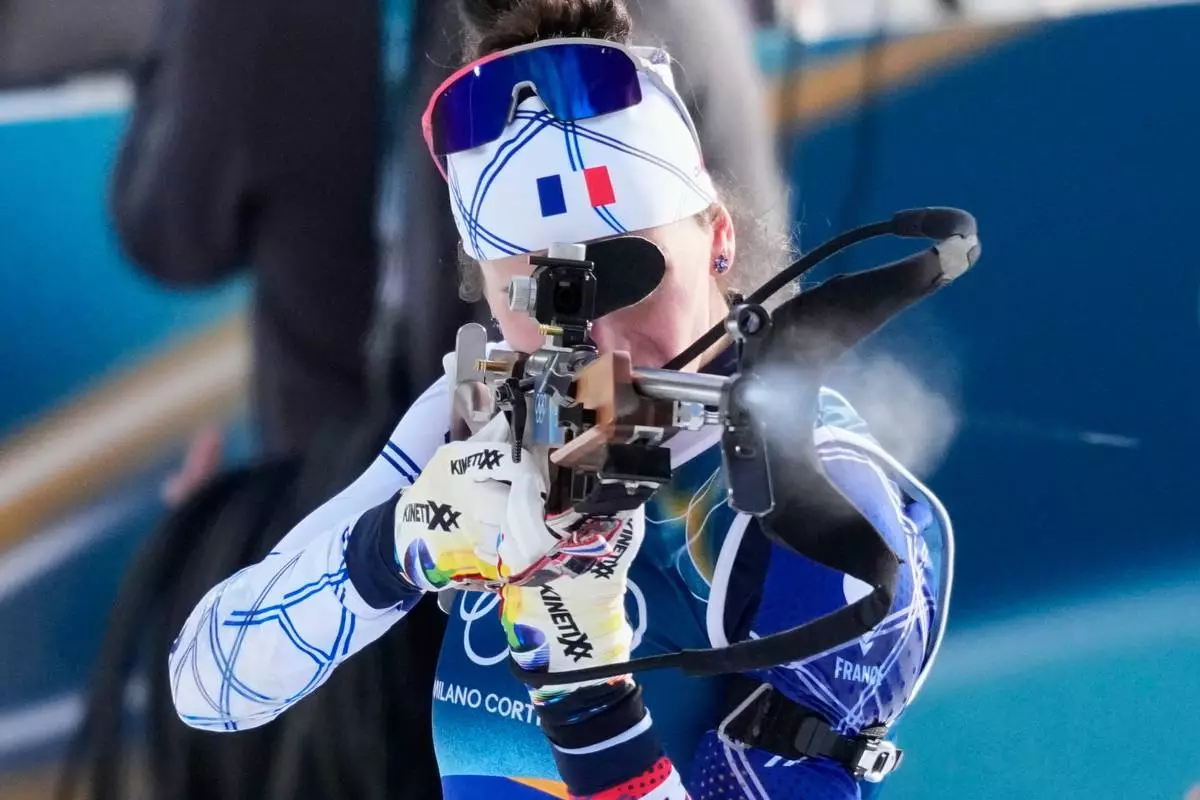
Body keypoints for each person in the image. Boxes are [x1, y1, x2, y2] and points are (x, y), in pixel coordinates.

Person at [166, 1, 950, 798]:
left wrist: (589, 697)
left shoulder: (805, 507)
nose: (597, 343)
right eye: (542, 300)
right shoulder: (478, 410)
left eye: (632, 276)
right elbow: (207, 686)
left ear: (718, 237)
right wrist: (390, 548)